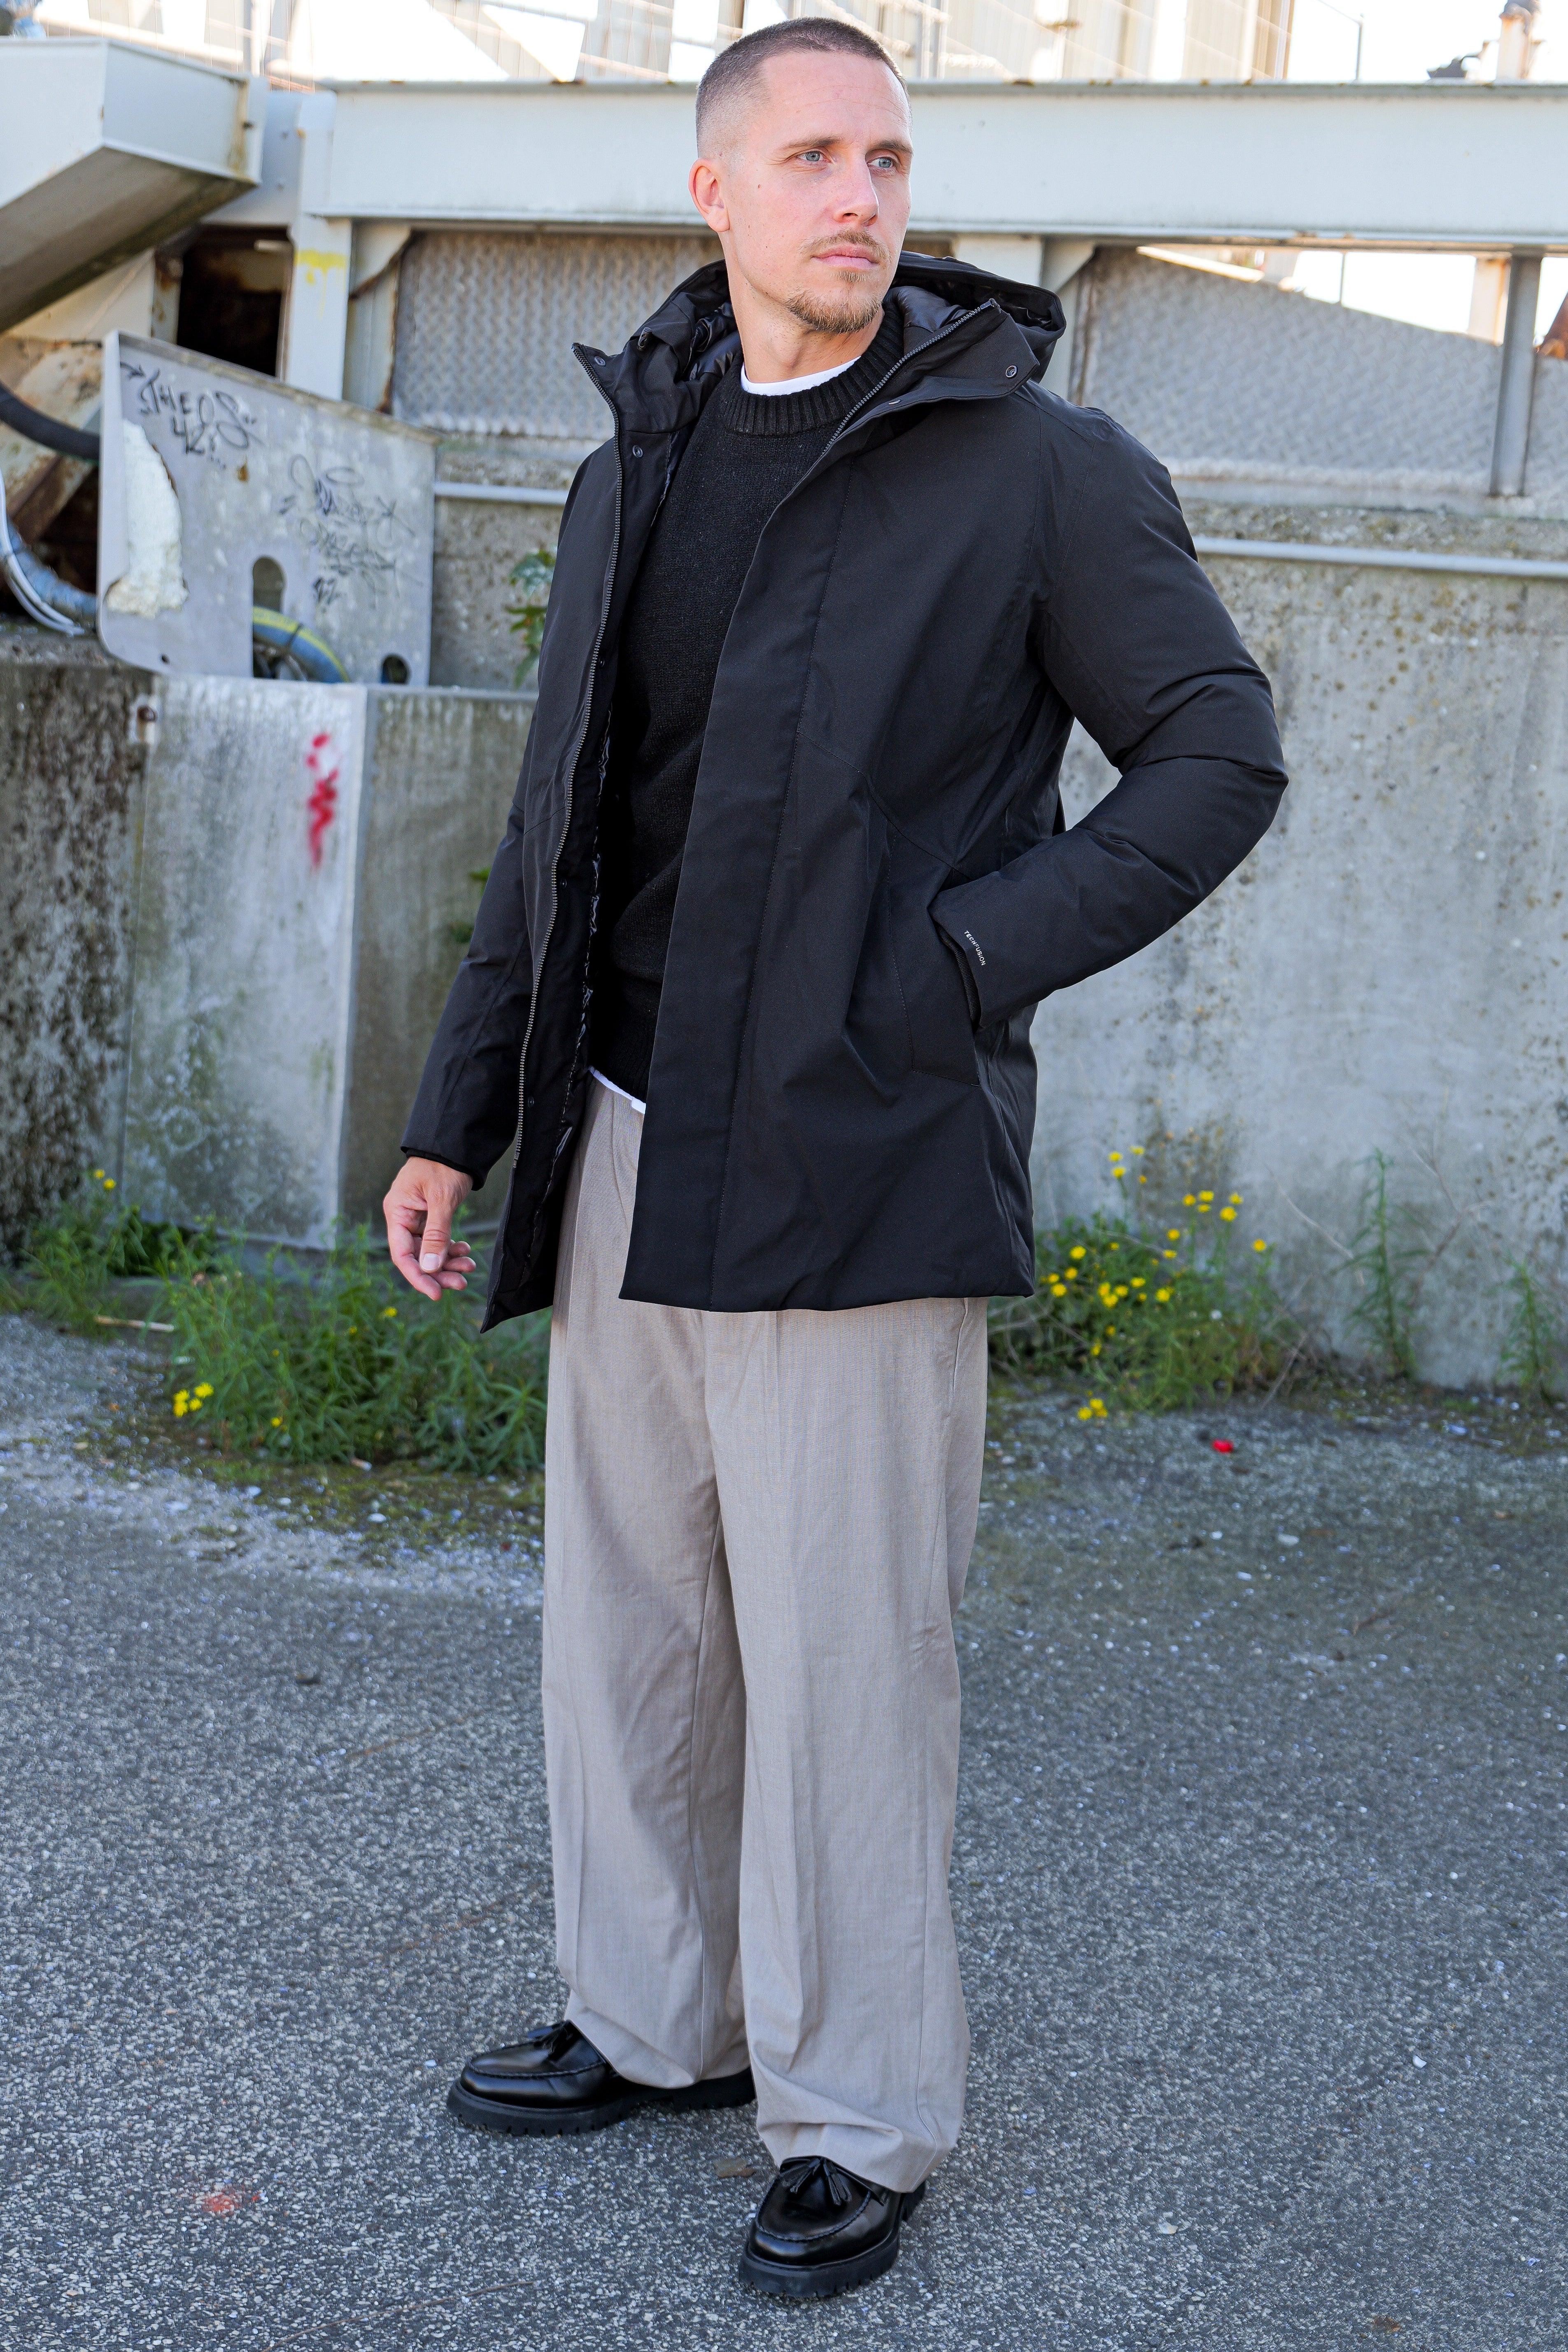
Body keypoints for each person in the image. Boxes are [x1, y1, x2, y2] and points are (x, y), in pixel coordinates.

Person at [384, 16, 1286, 2300]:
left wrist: (960, 963)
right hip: (617, 1129)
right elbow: (558, 828)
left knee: (846, 1663)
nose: (858, 195)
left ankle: (856, 2111)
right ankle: (654, 2016)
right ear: (714, 193)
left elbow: (1214, 754)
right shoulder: (638, 462)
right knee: (637, 1627)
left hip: (857, 1151)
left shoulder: (1035, 468)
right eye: (808, 158)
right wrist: (454, 1113)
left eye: (885, 156)